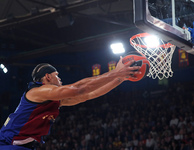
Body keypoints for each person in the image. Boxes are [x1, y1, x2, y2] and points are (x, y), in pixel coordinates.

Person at [0, 57, 141, 150]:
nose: (60, 79)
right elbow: (79, 89)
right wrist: (116, 73)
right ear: (47, 77)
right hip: (7, 144)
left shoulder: (52, 99)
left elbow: (88, 94)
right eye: (57, 75)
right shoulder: (38, 91)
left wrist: (120, 78)